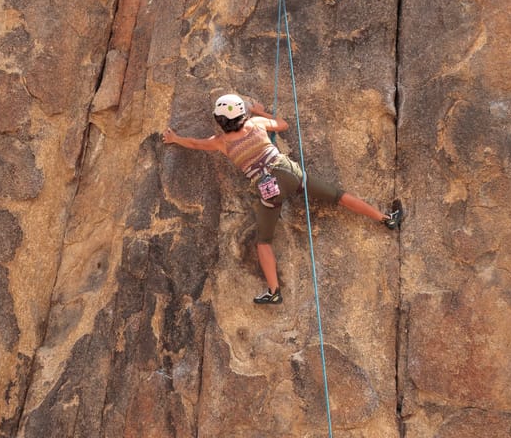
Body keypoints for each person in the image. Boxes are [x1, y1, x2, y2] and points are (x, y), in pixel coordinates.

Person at [162, 93, 403, 305]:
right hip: (289, 174)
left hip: (269, 189)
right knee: (338, 196)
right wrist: (259, 110)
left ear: (220, 121)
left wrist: (175, 139)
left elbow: (194, 143)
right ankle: (385, 218)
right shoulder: (256, 124)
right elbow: (283, 125)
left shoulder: (221, 143)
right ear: (242, 114)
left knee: (263, 241)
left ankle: (274, 291)